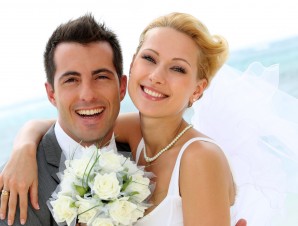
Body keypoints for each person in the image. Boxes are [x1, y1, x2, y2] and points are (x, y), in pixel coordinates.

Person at [0, 12, 252, 226]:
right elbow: (67, 127)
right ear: (132, 65)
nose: (156, 76)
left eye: (177, 68)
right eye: (150, 58)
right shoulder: (133, 134)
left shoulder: (199, 158)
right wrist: (23, 146)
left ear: (198, 89)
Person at [0, 14, 128, 225]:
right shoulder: (17, 187)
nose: (87, 95)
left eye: (101, 77)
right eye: (71, 80)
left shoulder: (144, 154)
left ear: (122, 87)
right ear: (51, 94)